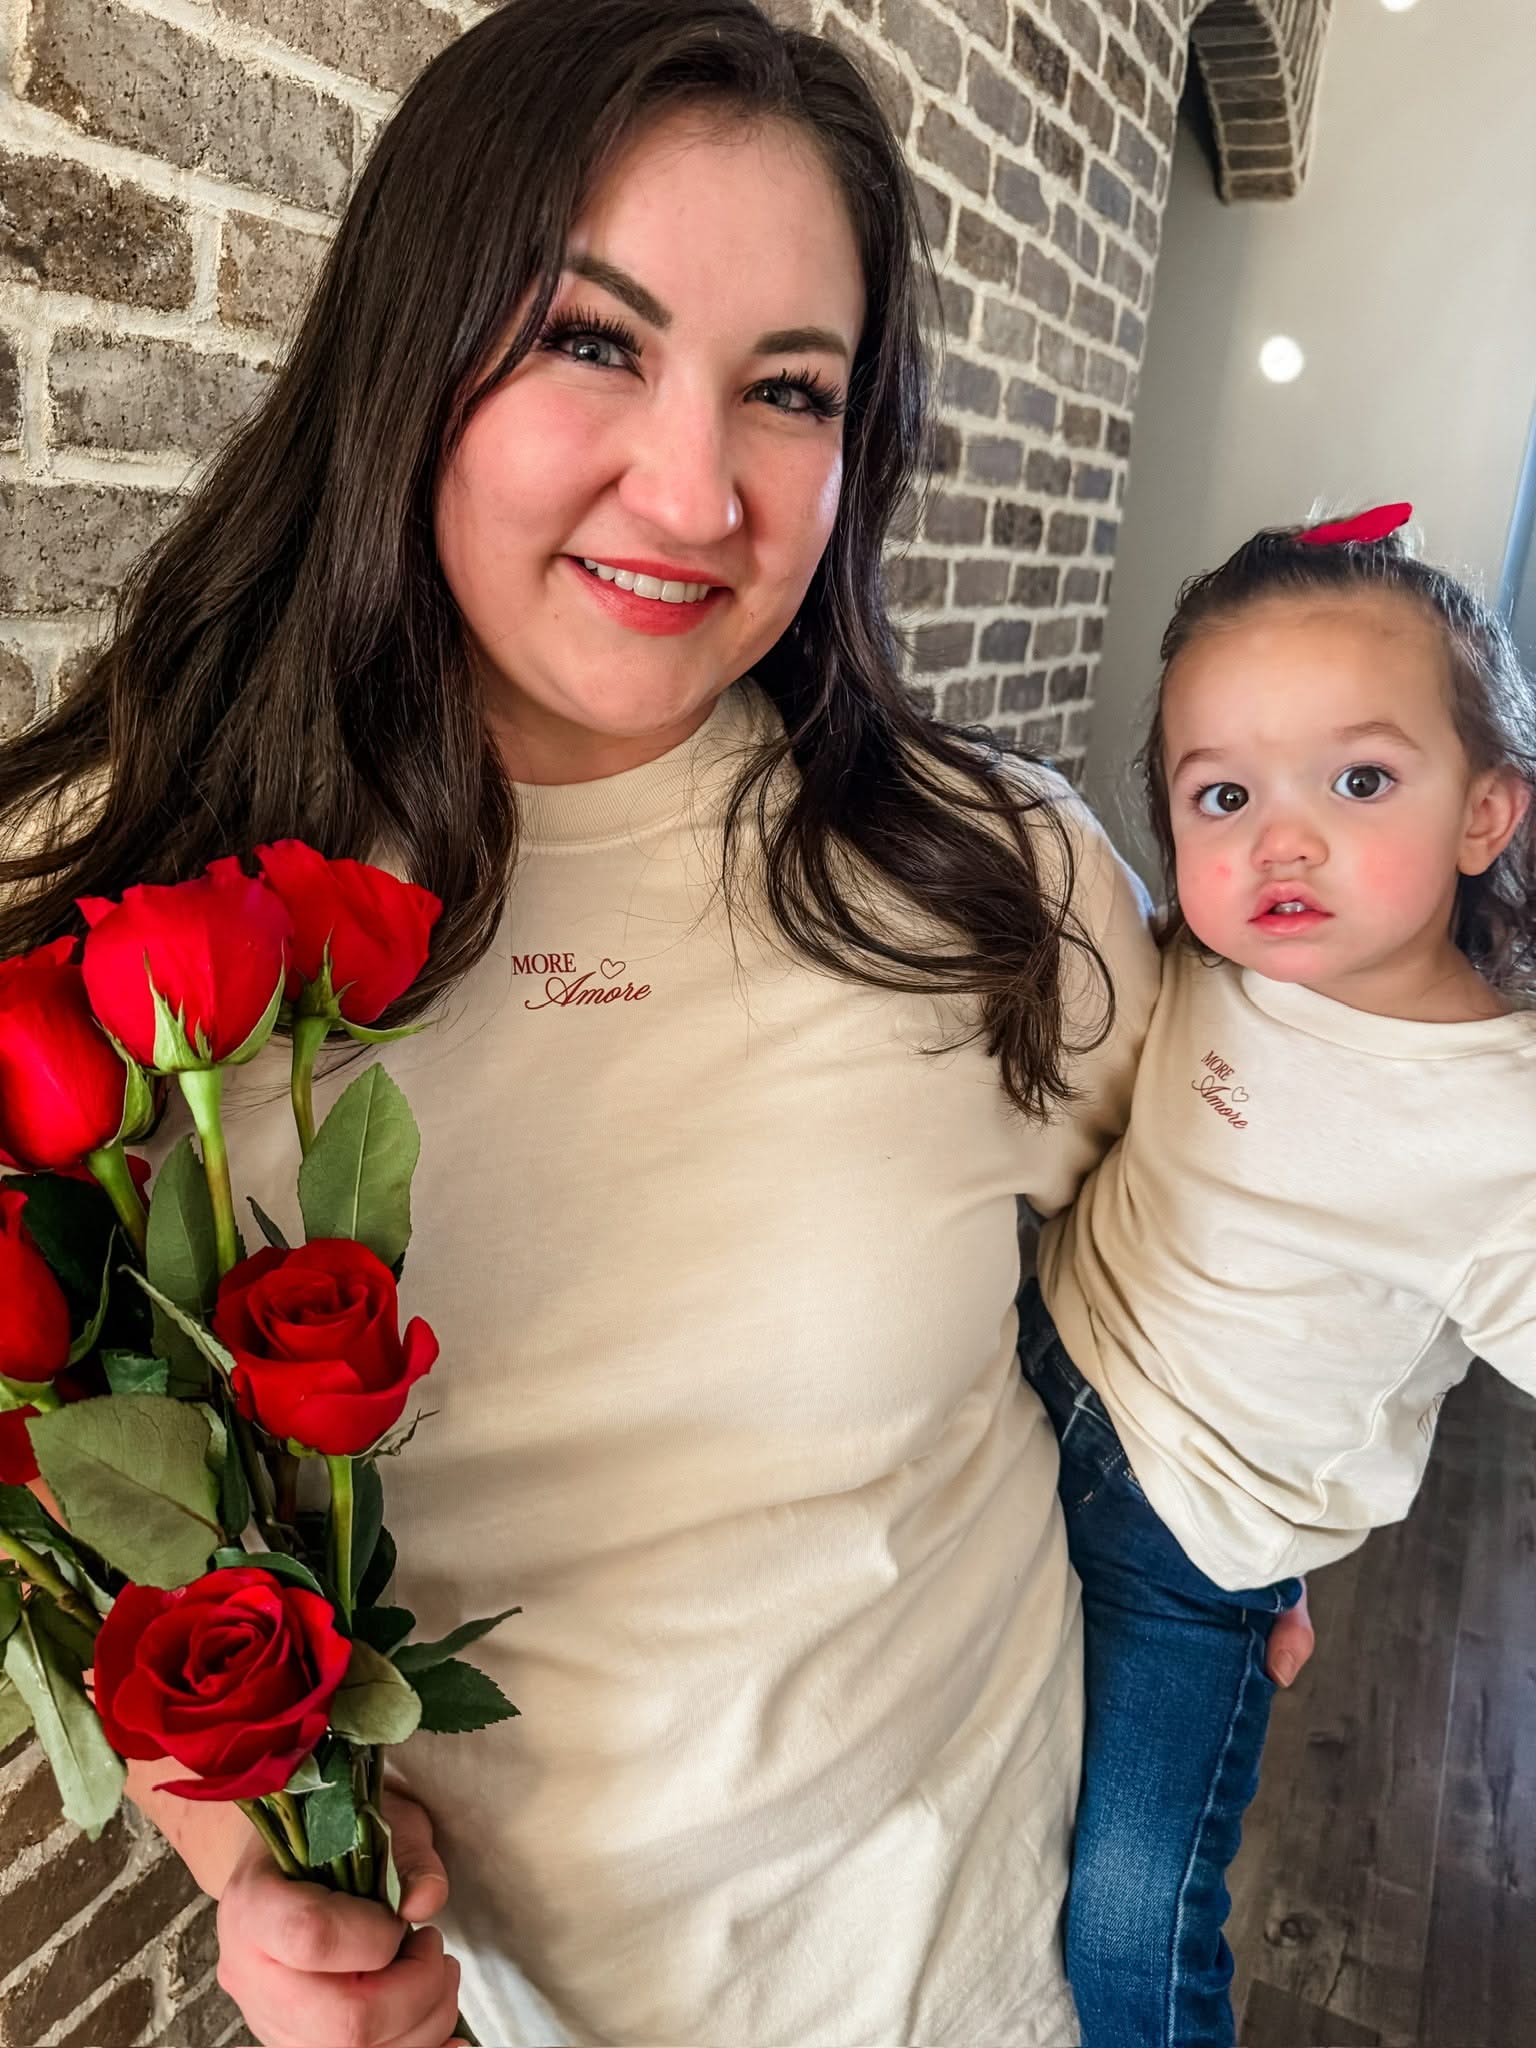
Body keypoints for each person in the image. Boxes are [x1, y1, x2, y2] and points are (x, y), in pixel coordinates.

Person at [0, 4, 1309, 2042]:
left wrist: (1234, 1517)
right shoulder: (136, 960)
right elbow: (110, 1521)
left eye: (789, 389)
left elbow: (1227, 1205)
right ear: (410, 350)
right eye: (594, 340)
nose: (695, 489)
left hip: (999, 1975)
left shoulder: (994, 882)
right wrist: (263, 1877)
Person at [1022, 505, 1536, 2048]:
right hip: (1024, 1404)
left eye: (1359, 780)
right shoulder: (1197, 961)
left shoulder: (1501, 1122)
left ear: (1485, 814)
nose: (1280, 839)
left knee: (1127, 1913)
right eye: (1223, 793)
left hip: (1189, 1558)